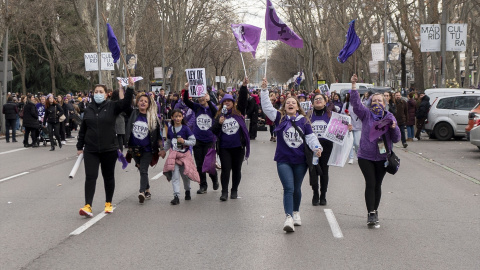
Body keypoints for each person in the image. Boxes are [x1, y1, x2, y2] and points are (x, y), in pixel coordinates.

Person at [260, 78, 322, 232]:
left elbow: (311, 137)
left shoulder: (304, 121)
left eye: (293, 102)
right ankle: (288, 217)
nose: (290, 104)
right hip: (283, 160)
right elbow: (267, 107)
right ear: (284, 105)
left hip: (300, 161)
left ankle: (296, 212)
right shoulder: (279, 118)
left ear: (297, 106)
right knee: (288, 188)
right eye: (288, 102)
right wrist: (264, 90)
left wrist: (317, 148)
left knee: (296, 188)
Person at [76, 79, 132, 217]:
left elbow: (125, 104)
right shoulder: (88, 109)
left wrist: (129, 88)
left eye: (101, 92)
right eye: (96, 92)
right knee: (90, 176)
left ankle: (108, 203)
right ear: (92, 94)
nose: (98, 94)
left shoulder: (112, 106)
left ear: (107, 94)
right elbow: (83, 129)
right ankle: (88, 206)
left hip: (109, 149)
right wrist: (79, 146)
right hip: (91, 149)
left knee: (108, 176)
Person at [350, 74, 400, 225]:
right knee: (370, 182)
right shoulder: (366, 114)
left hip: (383, 157)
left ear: (385, 104)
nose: (377, 102)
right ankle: (371, 213)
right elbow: (355, 104)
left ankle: (375, 211)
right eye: (374, 100)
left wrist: (394, 127)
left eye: (380, 100)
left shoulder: (390, 116)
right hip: (366, 156)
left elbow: (396, 138)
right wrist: (354, 85)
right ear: (370, 103)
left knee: (378, 184)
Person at [210, 77, 250, 201]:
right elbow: (214, 131)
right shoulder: (219, 115)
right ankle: (224, 192)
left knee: (237, 170)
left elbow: (243, 99)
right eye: (224, 102)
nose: (227, 103)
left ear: (233, 103)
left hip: (238, 147)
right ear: (222, 104)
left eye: (229, 101)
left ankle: (234, 190)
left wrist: (243, 86)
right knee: (226, 170)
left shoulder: (238, 113)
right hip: (224, 148)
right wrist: (219, 123)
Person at [125, 90, 163, 204]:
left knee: (143, 169)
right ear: (137, 103)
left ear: (148, 104)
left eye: (145, 101)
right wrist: (127, 88)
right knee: (141, 168)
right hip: (134, 149)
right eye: (141, 101)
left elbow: (158, 135)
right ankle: (147, 189)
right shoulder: (133, 114)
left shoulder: (153, 118)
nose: (143, 103)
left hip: (148, 149)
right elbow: (125, 103)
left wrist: (161, 149)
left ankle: (141, 191)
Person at [183, 84, 219, 194]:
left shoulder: (212, 107)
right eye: (199, 96)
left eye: (203, 96)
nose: (201, 98)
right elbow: (186, 101)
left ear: (207, 96)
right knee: (199, 164)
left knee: (209, 164)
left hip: (209, 139)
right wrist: (186, 89)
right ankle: (203, 185)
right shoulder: (197, 107)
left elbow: (216, 114)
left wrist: (209, 101)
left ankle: (214, 179)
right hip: (197, 139)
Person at [308, 93, 340, 206]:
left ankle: (323, 195)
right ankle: (315, 193)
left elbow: (340, 130)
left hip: (326, 147)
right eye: (315, 99)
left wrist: (348, 128)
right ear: (312, 102)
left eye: (320, 99)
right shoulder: (308, 115)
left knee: (324, 171)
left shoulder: (331, 115)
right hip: (312, 148)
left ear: (325, 101)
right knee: (313, 171)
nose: (318, 100)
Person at [162, 109, 199, 205]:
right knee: (175, 176)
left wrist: (184, 142)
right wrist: (163, 151)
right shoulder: (170, 129)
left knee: (185, 176)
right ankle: (176, 196)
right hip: (174, 156)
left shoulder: (185, 129)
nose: (177, 118)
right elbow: (169, 142)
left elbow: (193, 141)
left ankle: (187, 190)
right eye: (175, 116)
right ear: (172, 118)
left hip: (184, 156)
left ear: (182, 117)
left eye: (179, 116)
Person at [342, 93, 362, 164]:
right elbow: (342, 113)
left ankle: (358, 154)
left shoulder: (360, 104)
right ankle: (351, 158)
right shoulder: (346, 104)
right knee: (350, 143)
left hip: (358, 126)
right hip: (349, 126)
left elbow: (364, 114)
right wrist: (346, 114)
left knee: (357, 143)